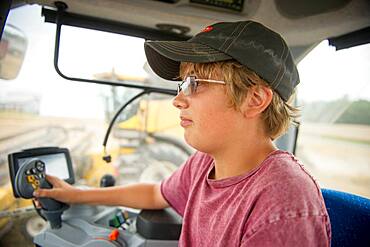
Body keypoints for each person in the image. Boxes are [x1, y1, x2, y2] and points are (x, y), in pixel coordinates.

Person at [34, 20, 331, 246]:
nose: (178, 100)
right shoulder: (206, 163)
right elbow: (154, 193)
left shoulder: (284, 203)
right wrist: (77, 194)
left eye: (195, 83)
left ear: (254, 100)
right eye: (182, 85)